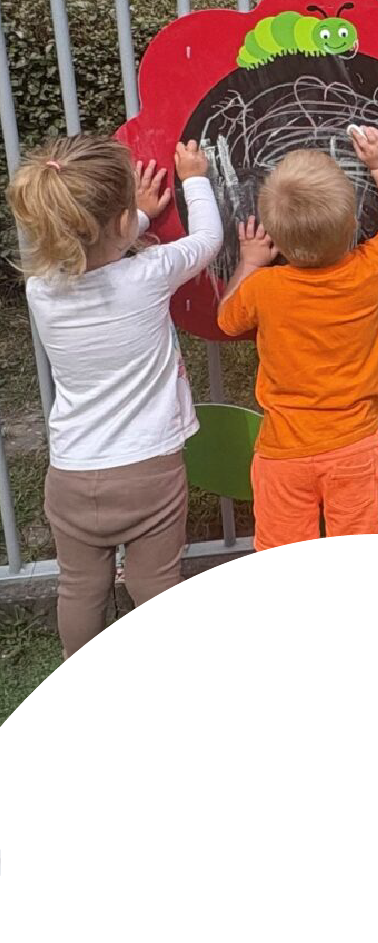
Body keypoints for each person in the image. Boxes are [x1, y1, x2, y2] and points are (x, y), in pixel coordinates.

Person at [7, 133, 222, 656]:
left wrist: (136, 219)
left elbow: (91, 252)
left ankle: (77, 670)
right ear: (121, 223)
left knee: (80, 587)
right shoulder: (150, 273)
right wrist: (194, 179)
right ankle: (163, 664)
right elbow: (208, 239)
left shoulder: (41, 291)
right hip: (149, 470)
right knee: (154, 581)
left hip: (71, 473)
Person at [216, 127, 378, 550]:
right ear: (353, 224)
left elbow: (227, 319)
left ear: (276, 236)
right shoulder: (372, 269)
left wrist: (250, 262)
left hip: (283, 453)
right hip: (355, 446)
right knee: (358, 554)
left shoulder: (264, 289)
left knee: (284, 560)